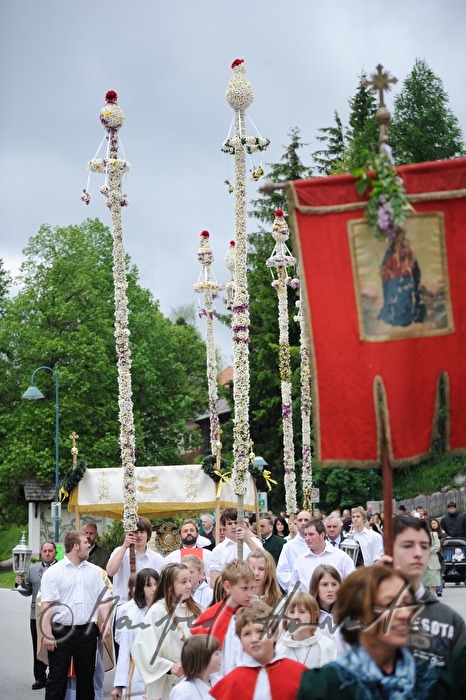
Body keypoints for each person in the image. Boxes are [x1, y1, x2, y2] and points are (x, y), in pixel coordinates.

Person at [297, 566, 441, 699]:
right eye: (389, 604)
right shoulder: (324, 687)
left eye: (407, 603)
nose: (404, 613)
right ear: (357, 616)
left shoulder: (432, 678)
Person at [382, 515, 466, 667]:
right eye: (408, 545)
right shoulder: (365, 607)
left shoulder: (450, 621)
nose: (418, 553)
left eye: (423, 546)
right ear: (389, 548)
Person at [40, 531, 113, 700]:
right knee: (57, 680)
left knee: (86, 681)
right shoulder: (53, 573)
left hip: (87, 632)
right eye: (85, 542)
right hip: (60, 632)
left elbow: (103, 599)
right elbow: (47, 605)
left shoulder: (95, 572)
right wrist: (47, 634)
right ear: (75, 546)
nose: (89, 545)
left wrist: (107, 620)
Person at [210, 601, 307, 700]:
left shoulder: (300, 674)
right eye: (247, 634)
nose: (254, 639)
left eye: (260, 631)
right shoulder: (232, 683)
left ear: (275, 635)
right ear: (240, 640)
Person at [131, 563, 201, 700]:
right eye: (183, 582)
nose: (189, 586)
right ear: (169, 586)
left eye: (189, 581)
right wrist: (169, 666)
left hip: (194, 679)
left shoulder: (196, 609)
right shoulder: (158, 611)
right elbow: (141, 649)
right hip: (167, 681)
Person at [190, 559, 256, 677]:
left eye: (252, 588)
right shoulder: (211, 615)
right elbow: (199, 652)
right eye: (244, 588)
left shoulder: (257, 614)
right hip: (219, 681)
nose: (250, 594)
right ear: (227, 586)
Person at [15, 540, 58, 690]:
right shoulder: (33, 569)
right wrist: (20, 584)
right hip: (36, 614)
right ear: (41, 553)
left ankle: (55, 675)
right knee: (38, 646)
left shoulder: (61, 568)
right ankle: (40, 677)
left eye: (50, 551)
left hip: (56, 615)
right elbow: (28, 591)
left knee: (56, 646)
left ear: (55, 552)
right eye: (44, 551)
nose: (47, 553)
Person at [111, 567, 159, 700]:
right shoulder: (132, 615)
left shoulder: (165, 610)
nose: (154, 589)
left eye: (156, 584)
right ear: (139, 589)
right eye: (148, 585)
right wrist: (119, 684)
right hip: (138, 671)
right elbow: (125, 649)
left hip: (162, 670)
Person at [106, 516, 164, 608]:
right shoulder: (120, 552)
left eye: (142, 532)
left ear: (148, 534)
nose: (139, 535)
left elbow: (162, 586)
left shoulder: (157, 558)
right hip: (123, 605)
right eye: (135, 532)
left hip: (148, 606)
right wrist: (125, 546)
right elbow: (110, 571)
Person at [289, 520, 355, 592]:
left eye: (311, 534)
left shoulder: (341, 557)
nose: (307, 538)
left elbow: (352, 584)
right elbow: (293, 590)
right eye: (305, 535)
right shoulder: (300, 561)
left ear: (322, 535)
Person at [377, 229, 425, 327]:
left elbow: (414, 267)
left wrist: (412, 271)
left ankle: (408, 318)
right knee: (395, 295)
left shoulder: (408, 251)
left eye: (403, 237)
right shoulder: (390, 253)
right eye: (400, 237)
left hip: (407, 278)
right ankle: (394, 318)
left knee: (409, 294)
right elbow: (385, 269)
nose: (402, 240)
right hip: (394, 280)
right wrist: (387, 273)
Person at [276, 592, 336, 667]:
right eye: (291, 612)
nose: (296, 616)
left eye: (302, 612)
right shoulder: (279, 650)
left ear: (314, 615)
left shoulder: (327, 646)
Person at [209, 508, 262, 586]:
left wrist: (247, 539)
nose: (233, 527)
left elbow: (265, 559)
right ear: (224, 526)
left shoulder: (254, 542)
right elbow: (214, 582)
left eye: (236, 522)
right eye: (229, 524)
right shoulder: (218, 550)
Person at [309, 564, 347, 656]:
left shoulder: (347, 614)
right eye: (324, 585)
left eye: (334, 584)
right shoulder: (308, 616)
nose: (330, 589)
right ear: (315, 587)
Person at [168, 634, 221, 699]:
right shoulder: (184, 691)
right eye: (216, 654)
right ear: (203, 659)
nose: (220, 657)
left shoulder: (219, 682)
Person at [276, 511, 311, 591]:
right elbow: (282, 573)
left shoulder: (321, 543)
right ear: (296, 523)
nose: (303, 523)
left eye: (306, 520)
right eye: (300, 520)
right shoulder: (288, 546)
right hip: (298, 594)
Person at [421, 520, 442, 595]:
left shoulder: (434, 534)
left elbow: (437, 546)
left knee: (433, 578)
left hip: (432, 558)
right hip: (423, 559)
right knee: (424, 578)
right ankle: (426, 594)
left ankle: (433, 594)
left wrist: (429, 550)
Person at [430, 517, 445, 596]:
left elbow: (442, 543)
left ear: (438, 524)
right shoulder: (429, 533)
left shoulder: (442, 533)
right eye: (432, 523)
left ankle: (439, 590)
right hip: (431, 555)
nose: (433, 525)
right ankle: (431, 589)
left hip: (439, 555)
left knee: (439, 573)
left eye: (435, 523)